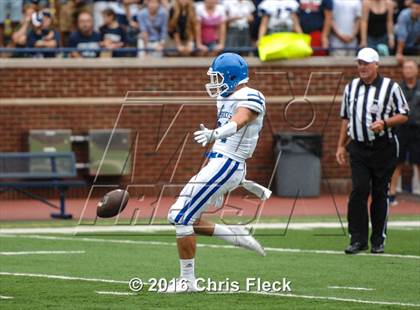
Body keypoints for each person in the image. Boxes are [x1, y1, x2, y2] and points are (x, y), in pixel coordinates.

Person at [165, 53, 270, 293]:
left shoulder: (251, 95)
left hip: (229, 163)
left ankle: (187, 281)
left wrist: (216, 133)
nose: (214, 82)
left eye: (218, 77)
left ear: (232, 76)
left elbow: (240, 121)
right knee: (183, 216)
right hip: (218, 162)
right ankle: (235, 235)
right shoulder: (225, 96)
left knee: (181, 216)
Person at [336, 48, 409, 255]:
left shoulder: (390, 87)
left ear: (376, 65)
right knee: (359, 190)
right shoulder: (351, 88)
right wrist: (341, 145)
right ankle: (357, 239)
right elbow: (345, 118)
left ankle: (378, 240)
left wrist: (385, 123)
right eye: (359, 63)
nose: (362, 67)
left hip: (383, 147)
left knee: (379, 192)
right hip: (358, 146)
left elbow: (404, 114)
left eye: (366, 63)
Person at [390, 60, 420, 204]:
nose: (408, 70)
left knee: (419, 162)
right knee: (397, 162)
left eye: (410, 67)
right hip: (401, 129)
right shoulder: (397, 88)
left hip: (418, 129)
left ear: (416, 70)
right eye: (405, 68)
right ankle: (392, 194)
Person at [395, 0, 420, 64]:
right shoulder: (404, 15)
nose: (414, 10)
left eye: (417, 8)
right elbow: (402, 36)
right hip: (398, 43)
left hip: (413, 44)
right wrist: (399, 53)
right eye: (413, 8)